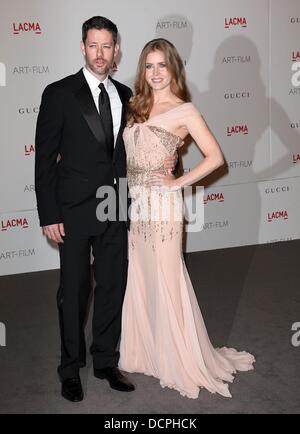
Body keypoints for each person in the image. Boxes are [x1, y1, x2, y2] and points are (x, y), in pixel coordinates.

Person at [35, 16, 177, 402]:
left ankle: (105, 362)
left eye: (107, 46)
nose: (100, 53)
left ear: (117, 50)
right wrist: (49, 214)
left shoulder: (128, 94)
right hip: (74, 209)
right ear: (83, 47)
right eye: (93, 45)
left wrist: (166, 164)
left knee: (113, 287)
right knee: (75, 292)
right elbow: (44, 160)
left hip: (115, 206)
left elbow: (136, 151)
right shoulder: (59, 93)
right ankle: (70, 368)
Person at [119, 38, 255, 399]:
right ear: (142, 71)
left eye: (162, 65)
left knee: (167, 276)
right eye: (149, 66)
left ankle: (178, 356)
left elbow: (215, 158)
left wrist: (178, 180)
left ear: (173, 68)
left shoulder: (185, 110)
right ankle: (145, 351)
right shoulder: (135, 106)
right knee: (143, 275)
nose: (155, 73)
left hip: (163, 207)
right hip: (138, 206)